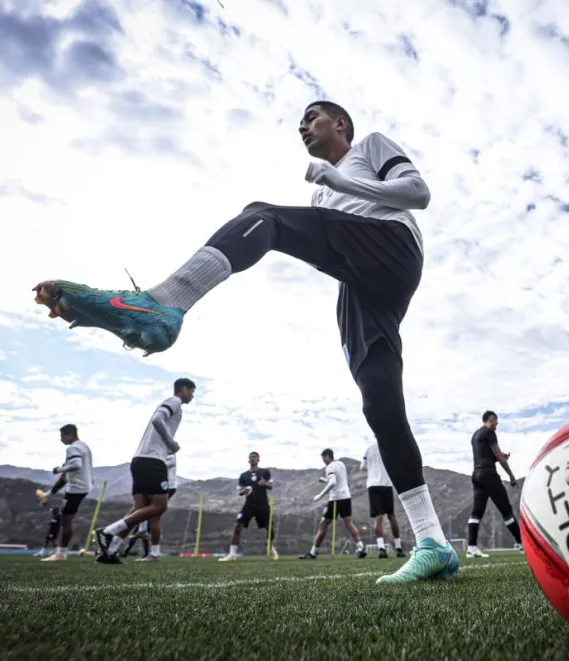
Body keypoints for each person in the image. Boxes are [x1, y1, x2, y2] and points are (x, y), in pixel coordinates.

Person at [32, 100, 456, 583]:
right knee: (380, 408)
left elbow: (417, 193)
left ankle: (164, 302)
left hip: (392, 246)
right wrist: (326, 201)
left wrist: (339, 181)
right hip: (358, 285)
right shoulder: (321, 201)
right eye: (300, 121)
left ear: (341, 124)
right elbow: (327, 240)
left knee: (264, 216)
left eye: (312, 117)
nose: (302, 126)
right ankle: (433, 543)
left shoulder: (371, 147)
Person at [93, 378, 195, 563]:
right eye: (191, 391)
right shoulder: (175, 401)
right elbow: (157, 419)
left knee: (138, 510)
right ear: (183, 389)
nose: (192, 396)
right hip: (152, 460)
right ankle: (107, 532)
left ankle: (110, 552)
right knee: (159, 506)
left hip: (139, 460)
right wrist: (171, 442)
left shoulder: (173, 405)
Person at [466, 411, 521, 558]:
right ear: (491, 420)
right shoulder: (490, 432)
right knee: (506, 510)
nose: (497, 424)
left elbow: (486, 455)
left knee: (476, 512)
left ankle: (471, 548)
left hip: (476, 475)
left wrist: (500, 456)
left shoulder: (476, 435)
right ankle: (522, 543)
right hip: (489, 475)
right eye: (496, 421)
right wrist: (511, 476)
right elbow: (499, 458)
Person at [35, 424, 93, 562]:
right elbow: (65, 477)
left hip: (76, 489)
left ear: (70, 435)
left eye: (62, 436)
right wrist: (48, 494)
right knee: (66, 520)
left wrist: (58, 469)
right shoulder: (84, 446)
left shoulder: (73, 448)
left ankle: (61, 554)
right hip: (83, 486)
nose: (61, 440)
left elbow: (76, 465)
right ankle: (61, 552)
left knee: (66, 522)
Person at [300, 449, 367, 560]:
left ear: (327, 457)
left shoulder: (330, 467)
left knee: (323, 525)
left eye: (323, 459)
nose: (323, 461)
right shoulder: (341, 464)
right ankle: (360, 547)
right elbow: (338, 481)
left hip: (335, 499)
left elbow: (333, 482)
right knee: (349, 524)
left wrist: (319, 495)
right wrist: (325, 480)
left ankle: (313, 553)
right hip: (346, 497)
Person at [220, 451, 278, 561]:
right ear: (248, 460)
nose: (252, 459)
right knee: (238, 526)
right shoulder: (243, 476)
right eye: (251, 457)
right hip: (249, 505)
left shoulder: (265, 472)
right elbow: (240, 492)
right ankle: (232, 555)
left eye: (255, 457)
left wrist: (264, 484)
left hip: (263, 505)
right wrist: (244, 491)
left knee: (269, 528)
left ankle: (271, 549)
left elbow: (270, 486)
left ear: (258, 459)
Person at [361, 441, 404, 558]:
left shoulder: (369, 449)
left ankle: (381, 549)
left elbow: (363, 467)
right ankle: (399, 548)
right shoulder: (389, 446)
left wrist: (373, 468)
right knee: (391, 515)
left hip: (373, 485)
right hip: (387, 484)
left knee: (378, 517)